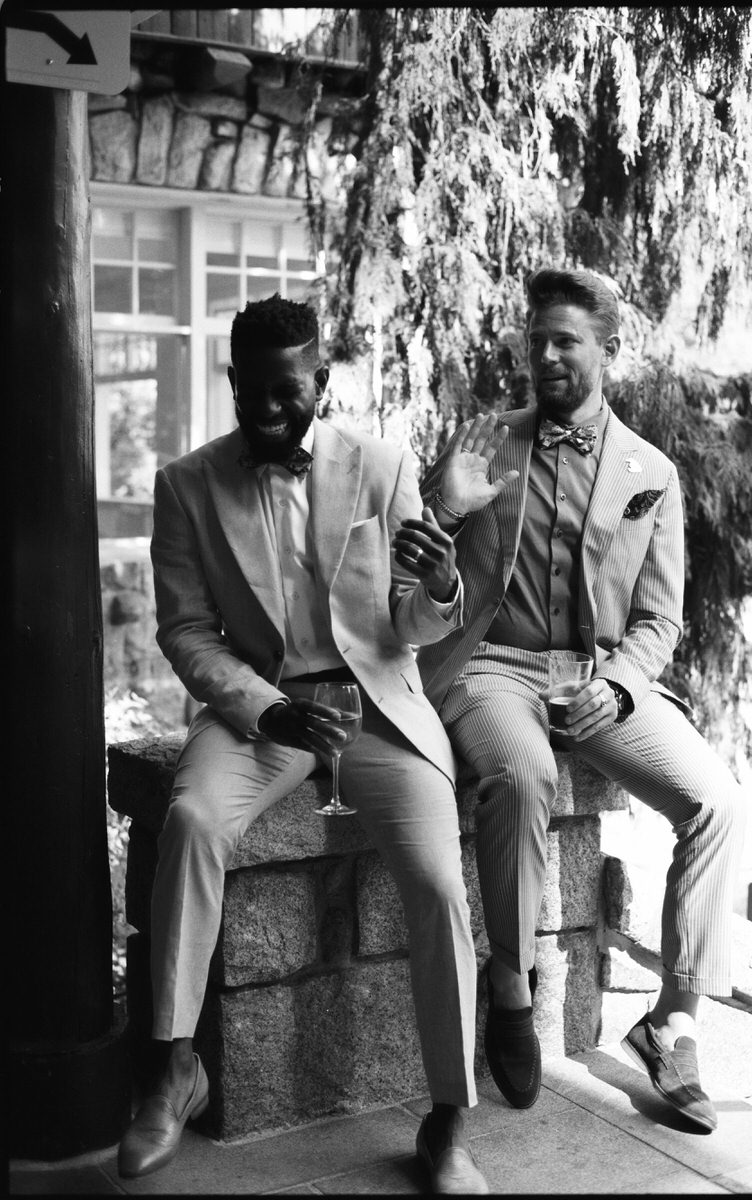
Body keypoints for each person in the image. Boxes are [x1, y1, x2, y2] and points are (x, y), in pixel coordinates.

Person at [117, 295, 488, 1194]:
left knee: (440, 884)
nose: (269, 407)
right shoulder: (186, 485)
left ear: (319, 380)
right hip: (264, 715)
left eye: (288, 389)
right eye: (252, 389)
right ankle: (175, 1068)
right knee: (196, 821)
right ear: (233, 379)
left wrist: (440, 584)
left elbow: (410, 621)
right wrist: (265, 708)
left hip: (377, 708)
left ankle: (445, 1120)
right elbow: (187, 633)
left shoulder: (382, 464)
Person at [416, 267, 745, 1132]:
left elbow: (659, 618)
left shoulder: (652, 471)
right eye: (536, 340)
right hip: (492, 662)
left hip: (598, 678)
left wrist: (618, 684)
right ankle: (510, 985)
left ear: (608, 350)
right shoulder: (486, 439)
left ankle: (672, 1023)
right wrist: (443, 510)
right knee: (523, 778)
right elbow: (415, 561)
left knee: (714, 803)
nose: (546, 354)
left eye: (565, 340)